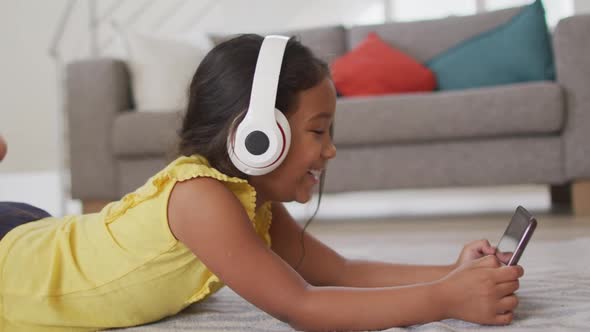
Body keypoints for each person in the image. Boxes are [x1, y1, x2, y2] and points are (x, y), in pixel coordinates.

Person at [0, 35, 523, 331]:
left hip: (45, 233)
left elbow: (339, 271)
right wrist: (445, 301)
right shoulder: (201, 199)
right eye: (318, 131)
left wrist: (449, 273)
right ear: (257, 138)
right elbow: (304, 307)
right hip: (16, 266)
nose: (331, 149)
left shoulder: (249, 203)